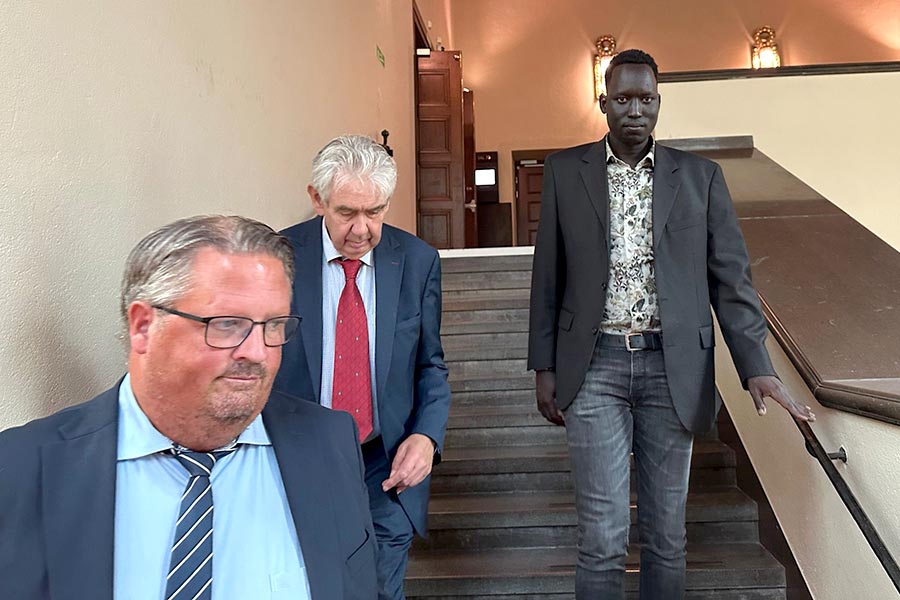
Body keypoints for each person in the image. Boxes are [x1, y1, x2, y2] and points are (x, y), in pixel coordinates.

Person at [527, 49, 815, 600]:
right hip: (593, 367)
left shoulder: (701, 177)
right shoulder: (565, 171)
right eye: (623, 98)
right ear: (604, 102)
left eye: (646, 99)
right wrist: (544, 365)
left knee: (666, 536)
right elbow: (549, 274)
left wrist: (756, 366)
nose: (635, 109)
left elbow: (731, 281)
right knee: (603, 537)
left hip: (672, 365)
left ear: (658, 103)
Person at [0, 215, 376, 600]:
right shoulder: (21, 469)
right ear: (143, 326)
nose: (257, 352)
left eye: (274, 325)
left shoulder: (329, 443)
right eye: (227, 324)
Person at [275, 135, 451, 600]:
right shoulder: (278, 258)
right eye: (346, 212)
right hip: (301, 457)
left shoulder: (416, 261)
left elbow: (431, 366)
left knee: (378, 591)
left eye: (374, 212)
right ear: (317, 200)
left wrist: (425, 437)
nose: (361, 229)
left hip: (383, 462)